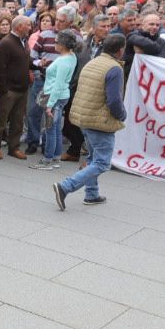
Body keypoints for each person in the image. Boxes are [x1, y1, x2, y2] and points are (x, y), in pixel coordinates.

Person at [54, 33, 127, 210]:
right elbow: (114, 100)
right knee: (102, 163)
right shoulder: (114, 68)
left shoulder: (93, 62)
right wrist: (122, 115)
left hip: (85, 118)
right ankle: (66, 187)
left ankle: (91, 194)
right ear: (121, 50)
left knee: (93, 158)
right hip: (100, 121)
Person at [34, 30, 80, 170]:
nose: (54, 43)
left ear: (63, 44)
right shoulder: (71, 57)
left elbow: (58, 84)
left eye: (56, 41)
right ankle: (55, 158)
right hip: (61, 96)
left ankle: (48, 160)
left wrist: (50, 105)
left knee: (50, 129)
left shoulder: (64, 60)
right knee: (55, 129)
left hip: (55, 97)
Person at [0, 15, 33, 161]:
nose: (30, 27)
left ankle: (14, 148)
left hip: (22, 89)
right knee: (1, 121)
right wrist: (4, 90)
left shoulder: (23, 41)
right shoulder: (6, 43)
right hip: (9, 90)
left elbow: (24, 60)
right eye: (27, 25)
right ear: (19, 26)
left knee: (18, 121)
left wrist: (38, 63)